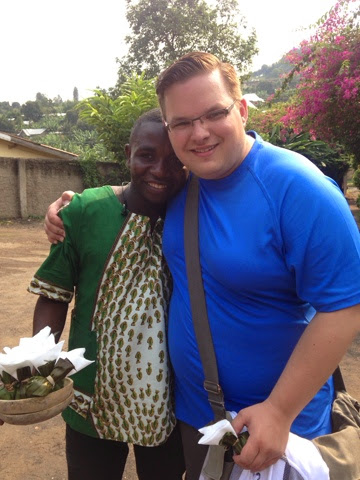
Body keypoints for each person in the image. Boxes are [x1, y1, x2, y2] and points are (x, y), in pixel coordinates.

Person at [45, 52, 360, 479]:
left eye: (214, 113)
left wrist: (279, 411)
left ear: (242, 108)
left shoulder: (297, 188)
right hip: (194, 422)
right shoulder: (187, 185)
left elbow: (344, 305)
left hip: (277, 430)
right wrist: (73, 206)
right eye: (182, 122)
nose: (200, 133)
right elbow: (141, 187)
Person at [26, 108, 187, 480]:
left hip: (172, 398)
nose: (161, 170)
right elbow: (54, 296)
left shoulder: (198, 212)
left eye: (175, 159)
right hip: (91, 397)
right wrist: (36, 366)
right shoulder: (85, 210)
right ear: (128, 153)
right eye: (147, 155)